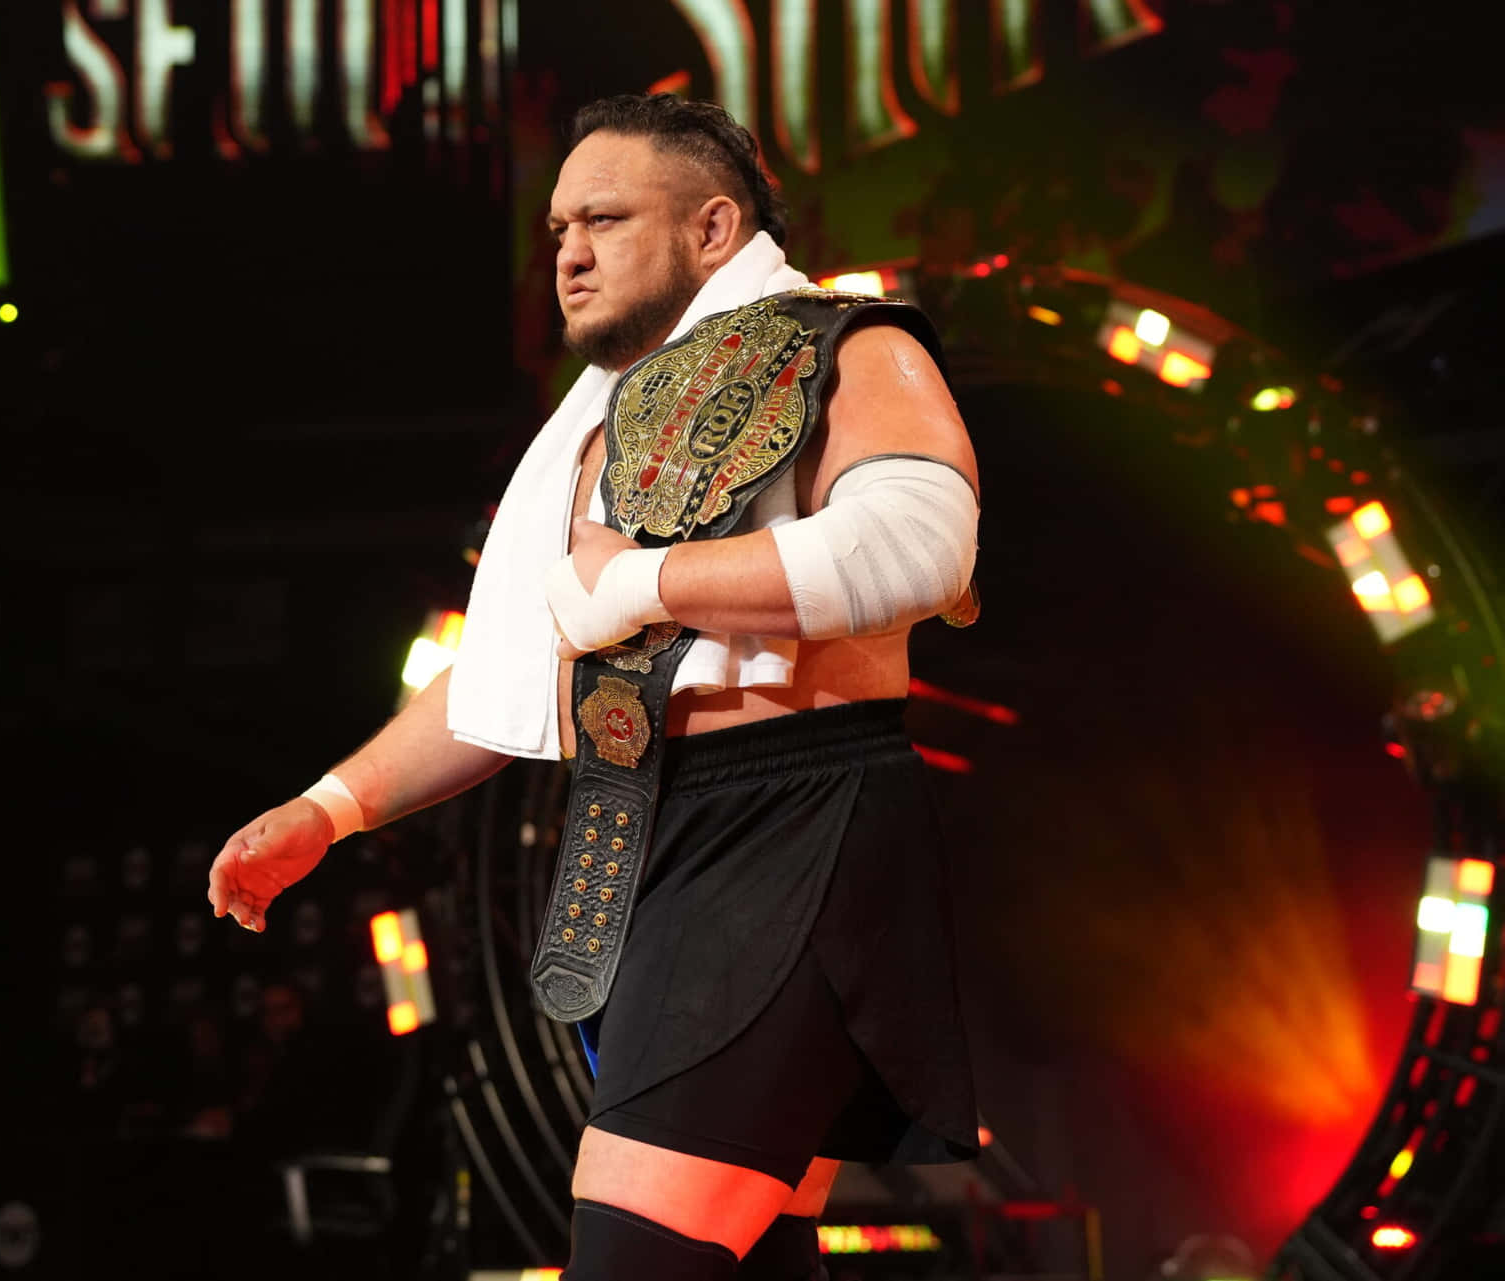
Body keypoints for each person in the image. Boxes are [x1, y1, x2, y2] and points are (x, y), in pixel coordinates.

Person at [207, 93, 981, 1280]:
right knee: (744, 1254)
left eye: (607, 219)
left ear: (714, 230)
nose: (568, 251)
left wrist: (644, 584)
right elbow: (511, 668)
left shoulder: (846, 346)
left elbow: (919, 548)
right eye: (559, 226)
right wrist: (331, 807)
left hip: (794, 828)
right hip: (645, 846)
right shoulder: (589, 428)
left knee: (635, 1250)